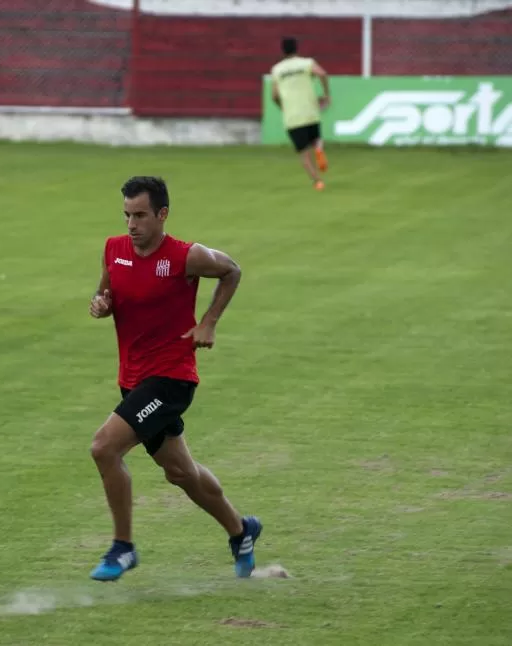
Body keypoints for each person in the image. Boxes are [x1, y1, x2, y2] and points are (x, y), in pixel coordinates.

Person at [87, 176, 262, 581]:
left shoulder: (186, 256)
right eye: (127, 215)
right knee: (180, 472)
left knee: (103, 448)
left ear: (162, 214)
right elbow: (107, 294)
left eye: (141, 215)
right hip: (132, 378)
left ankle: (123, 547)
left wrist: (208, 322)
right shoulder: (114, 249)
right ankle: (241, 531)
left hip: (170, 378)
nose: (132, 225)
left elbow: (232, 270)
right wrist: (101, 304)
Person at [270, 37, 330, 190]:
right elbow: (322, 74)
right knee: (316, 139)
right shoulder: (306, 63)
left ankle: (317, 181)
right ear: (297, 48)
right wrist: (326, 94)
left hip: (293, 117)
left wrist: (283, 107)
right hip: (310, 111)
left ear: (282, 50)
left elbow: (275, 96)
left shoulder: (277, 70)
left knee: (304, 153)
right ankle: (319, 149)